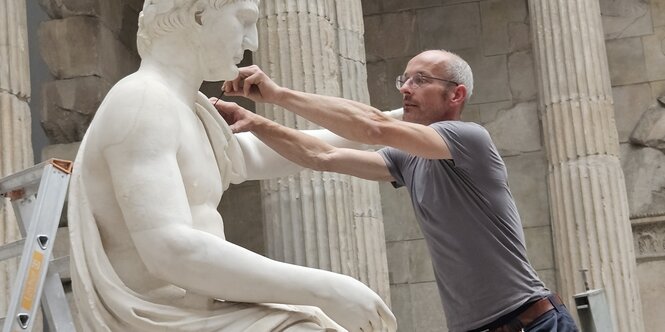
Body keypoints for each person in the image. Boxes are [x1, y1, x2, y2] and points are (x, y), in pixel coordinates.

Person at [67, 0, 396, 331]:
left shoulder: (186, 108)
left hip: (203, 310)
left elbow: (281, 151)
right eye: (244, 20)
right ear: (198, 16)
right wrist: (327, 290)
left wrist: (404, 127)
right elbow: (169, 250)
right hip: (158, 317)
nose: (252, 41)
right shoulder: (141, 102)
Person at [212, 50, 580, 332]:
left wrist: (278, 95)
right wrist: (255, 123)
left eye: (420, 80)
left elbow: (372, 127)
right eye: (404, 79)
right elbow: (319, 155)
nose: (405, 88)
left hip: (534, 324)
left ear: (456, 95)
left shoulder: (468, 139)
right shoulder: (407, 159)